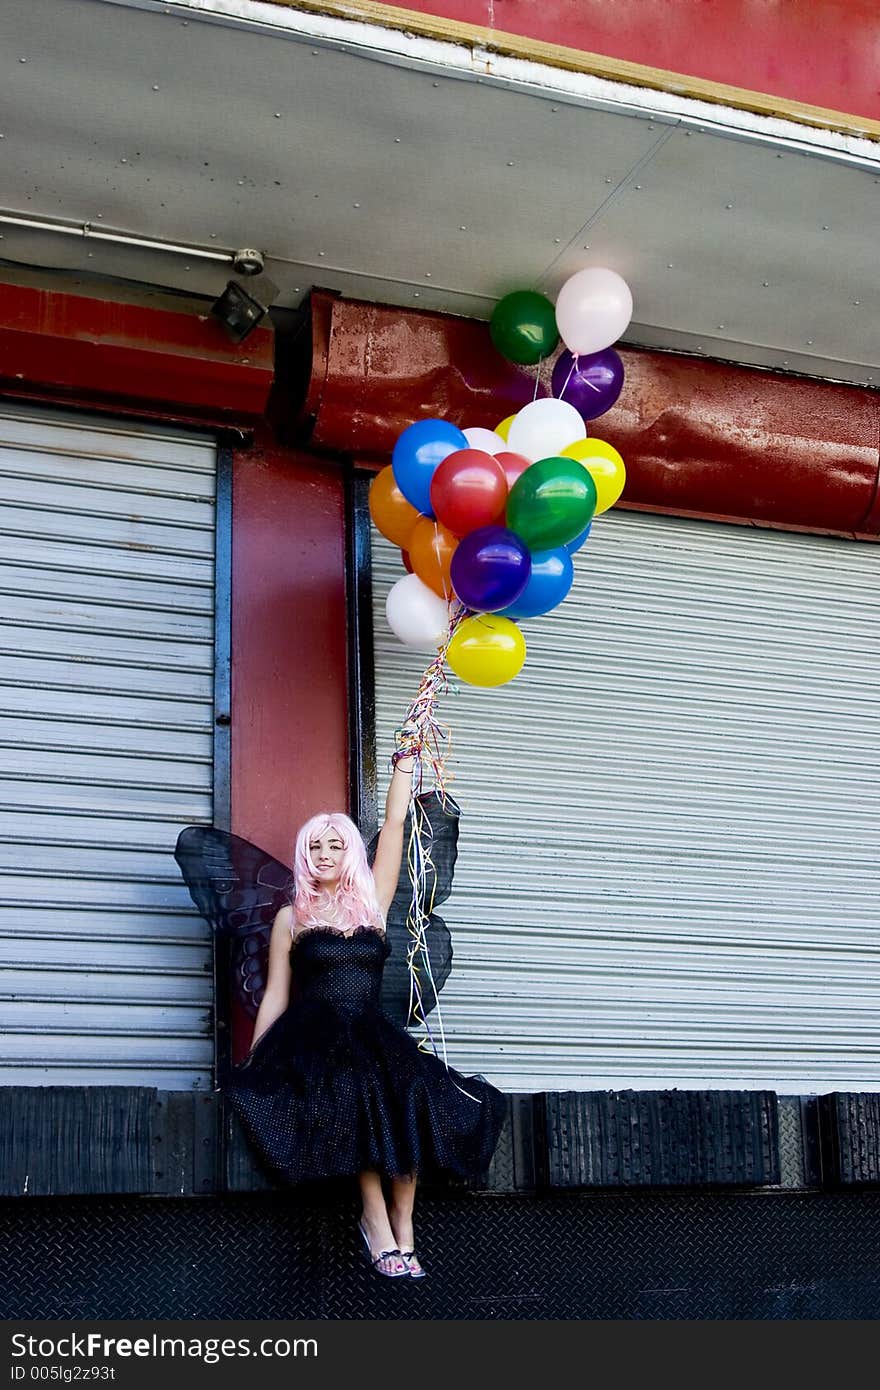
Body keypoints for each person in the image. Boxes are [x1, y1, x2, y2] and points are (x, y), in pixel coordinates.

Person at [218, 753, 506, 1281]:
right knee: (354, 1090)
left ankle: (404, 1223)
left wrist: (403, 761)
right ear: (304, 855)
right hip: (314, 1034)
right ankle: (374, 1219)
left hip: (369, 1027)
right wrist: (255, 1060)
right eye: (314, 845)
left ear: (349, 852)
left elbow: (395, 824)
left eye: (334, 845)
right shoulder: (291, 916)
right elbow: (277, 995)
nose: (323, 853)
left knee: (415, 1090)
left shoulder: (372, 901)